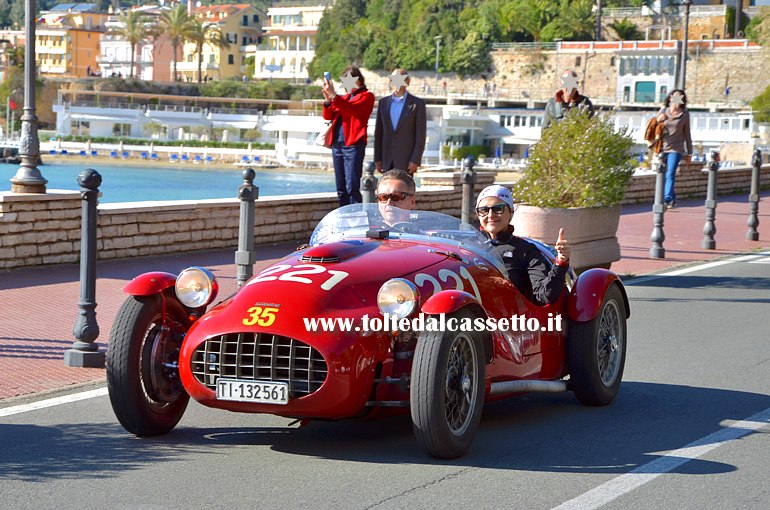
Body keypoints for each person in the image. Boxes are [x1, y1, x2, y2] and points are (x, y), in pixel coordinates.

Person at [476, 185, 571, 306]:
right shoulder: (466, 245)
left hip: (508, 318)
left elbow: (544, 295)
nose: (490, 215)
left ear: (510, 211)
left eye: (498, 208)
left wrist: (561, 262)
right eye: (484, 210)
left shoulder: (526, 250)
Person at [322, 65, 375, 206]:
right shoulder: (343, 98)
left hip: (353, 145)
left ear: (358, 80)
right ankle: (344, 219)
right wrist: (328, 100)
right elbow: (328, 116)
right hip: (337, 144)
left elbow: (354, 110)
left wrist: (334, 96)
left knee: (352, 187)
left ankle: (357, 220)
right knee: (341, 188)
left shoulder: (367, 96)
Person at [374, 69, 427, 176]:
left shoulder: (417, 104)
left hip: (406, 160)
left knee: (404, 192)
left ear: (408, 82)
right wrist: (378, 159)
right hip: (386, 159)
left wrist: (415, 160)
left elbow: (420, 135)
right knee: (387, 191)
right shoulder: (383, 103)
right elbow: (378, 133)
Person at [656, 89, 692, 209]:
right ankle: (672, 198)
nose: (676, 99)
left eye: (679, 97)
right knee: (665, 173)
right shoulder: (664, 110)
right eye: (675, 97)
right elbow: (652, 125)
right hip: (663, 147)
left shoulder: (685, 114)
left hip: (676, 149)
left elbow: (687, 135)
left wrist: (690, 153)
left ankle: (666, 198)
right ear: (670, 98)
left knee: (670, 173)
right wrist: (659, 119)